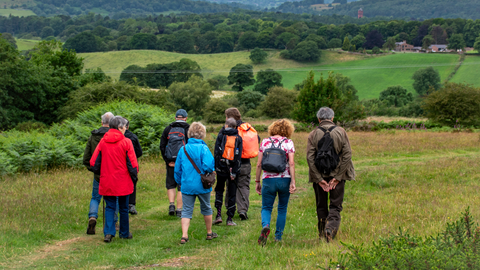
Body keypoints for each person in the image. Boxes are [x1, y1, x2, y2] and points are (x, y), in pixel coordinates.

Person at [306, 107, 355, 242]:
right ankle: (330, 230)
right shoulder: (341, 132)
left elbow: (310, 157)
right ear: (332, 118)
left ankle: (323, 234)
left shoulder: (313, 134)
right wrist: (338, 177)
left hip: (319, 176)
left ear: (318, 119)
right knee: (335, 205)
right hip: (338, 175)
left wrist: (319, 178)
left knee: (321, 205)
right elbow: (347, 155)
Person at [90, 116, 139, 243]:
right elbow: (133, 164)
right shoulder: (126, 142)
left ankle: (108, 233)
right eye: (124, 126)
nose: (125, 129)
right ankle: (124, 233)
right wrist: (134, 176)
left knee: (109, 207)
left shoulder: (102, 141)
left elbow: (93, 162)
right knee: (123, 208)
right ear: (119, 127)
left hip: (107, 180)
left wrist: (101, 171)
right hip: (123, 180)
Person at [174, 122, 217, 244]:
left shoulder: (183, 149)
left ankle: (184, 235)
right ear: (202, 134)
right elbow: (209, 166)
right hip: (203, 184)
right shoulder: (204, 148)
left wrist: (179, 182)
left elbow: (177, 169)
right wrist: (207, 171)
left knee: (187, 210)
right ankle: (209, 233)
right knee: (206, 207)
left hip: (187, 184)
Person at [255, 119, 296, 245]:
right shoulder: (289, 143)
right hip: (284, 179)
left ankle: (266, 225)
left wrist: (257, 181)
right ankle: (278, 237)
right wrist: (293, 181)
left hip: (268, 179)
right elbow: (291, 163)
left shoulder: (265, 142)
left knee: (266, 207)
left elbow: (259, 164)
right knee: (282, 209)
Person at [221, 108, 260, 221]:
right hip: (245, 163)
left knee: (230, 185)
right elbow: (257, 139)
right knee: (243, 186)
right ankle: (242, 210)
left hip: (231, 163)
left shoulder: (228, 128)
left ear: (229, 118)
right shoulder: (248, 128)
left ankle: (230, 207)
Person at [83, 112, 118, 235]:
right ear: (113, 122)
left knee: (95, 198)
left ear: (102, 122)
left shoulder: (93, 136)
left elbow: (86, 158)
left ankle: (92, 216)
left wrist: (93, 169)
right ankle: (114, 222)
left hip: (98, 174)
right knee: (114, 198)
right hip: (113, 173)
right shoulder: (115, 136)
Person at [160, 109, 190, 217]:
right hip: (184, 162)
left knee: (170, 184)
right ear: (186, 118)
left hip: (171, 162)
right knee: (181, 186)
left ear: (175, 117)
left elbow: (162, 146)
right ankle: (179, 210)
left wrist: (168, 161)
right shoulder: (188, 129)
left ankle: (171, 205)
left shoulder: (168, 128)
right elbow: (191, 146)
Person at [213, 118, 243, 226]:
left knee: (219, 190)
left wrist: (215, 168)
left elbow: (216, 153)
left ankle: (218, 215)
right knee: (232, 193)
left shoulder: (221, 136)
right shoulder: (239, 138)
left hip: (221, 169)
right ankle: (230, 218)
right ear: (235, 127)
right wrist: (234, 171)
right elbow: (238, 157)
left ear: (226, 126)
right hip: (233, 170)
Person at [123, 118, 143, 215]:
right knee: (132, 184)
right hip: (132, 164)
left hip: (120, 165)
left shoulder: (119, 137)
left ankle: (121, 205)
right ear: (128, 126)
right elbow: (139, 152)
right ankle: (131, 205)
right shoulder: (133, 137)